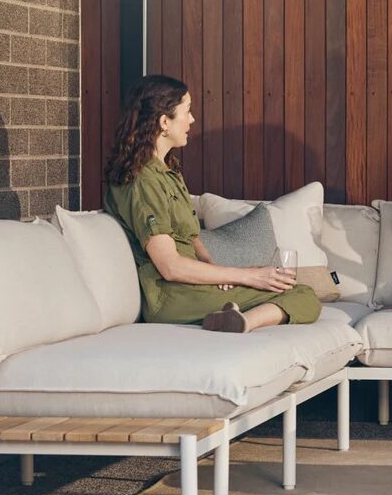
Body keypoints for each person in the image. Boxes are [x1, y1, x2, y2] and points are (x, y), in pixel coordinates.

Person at [104, 74, 321, 332]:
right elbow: (170, 266)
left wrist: (218, 272)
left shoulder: (168, 172)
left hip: (192, 286)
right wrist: (247, 275)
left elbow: (191, 238)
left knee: (296, 290)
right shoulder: (143, 182)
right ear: (164, 122)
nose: (192, 120)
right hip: (172, 296)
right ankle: (243, 322)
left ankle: (234, 319)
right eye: (187, 111)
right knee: (303, 296)